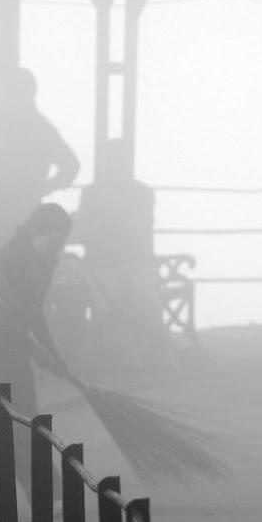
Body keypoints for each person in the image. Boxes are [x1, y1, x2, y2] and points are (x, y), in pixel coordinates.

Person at [0, 203, 72, 515]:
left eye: (63, 241)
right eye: (56, 239)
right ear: (35, 231)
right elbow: (0, 316)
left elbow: (32, 312)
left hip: (9, 348)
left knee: (24, 419)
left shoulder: (42, 260)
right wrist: (38, 351)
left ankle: (47, 496)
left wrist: (52, 352)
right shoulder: (11, 258)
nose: (60, 247)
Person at [0, 67, 80, 259]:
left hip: (13, 210)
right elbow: (71, 165)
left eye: (9, 92)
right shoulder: (13, 126)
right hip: (2, 208)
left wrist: (41, 189)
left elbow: (71, 164)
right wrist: (42, 188)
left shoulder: (37, 128)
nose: (5, 99)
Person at [76, 140, 169, 365]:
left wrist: (105, 228)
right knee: (109, 302)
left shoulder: (142, 192)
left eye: (118, 158)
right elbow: (86, 229)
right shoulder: (90, 193)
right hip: (104, 263)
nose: (113, 164)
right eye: (109, 158)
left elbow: (138, 227)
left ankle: (157, 350)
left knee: (145, 297)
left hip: (138, 262)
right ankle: (124, 351)